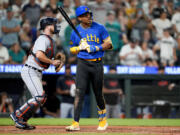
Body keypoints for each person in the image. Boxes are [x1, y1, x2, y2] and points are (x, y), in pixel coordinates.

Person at [66, 5, 113, 131]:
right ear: (80, 18)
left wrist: (96, 47)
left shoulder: (99, 27)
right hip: (82, 64)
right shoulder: (75, 31)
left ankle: (103, 120)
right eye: (86, 15)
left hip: (97, 63)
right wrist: (79, 48)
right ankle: (75, 123)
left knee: (98, 93)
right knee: (79, 93)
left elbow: (109, 44)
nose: (89, 17)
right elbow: (71, 49)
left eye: (89, 14)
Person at [10, 17, 62, 130]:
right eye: (54, 24)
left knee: (41, 98)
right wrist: (52, 61)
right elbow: (39, 55)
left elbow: (44, 60)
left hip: (36, 71)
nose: (56, 26)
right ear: (47, 26)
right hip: (30, 70)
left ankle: (22, 121)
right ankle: (17, 114)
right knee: (39, 96)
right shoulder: (43, 38)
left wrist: (55, 63)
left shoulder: (49, 40)